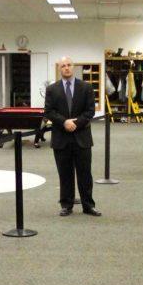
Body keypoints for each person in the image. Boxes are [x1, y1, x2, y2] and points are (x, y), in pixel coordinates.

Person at [44, 57, 99, 217]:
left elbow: (90, 111)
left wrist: (76, 123)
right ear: (59, 69)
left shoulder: (86, 87)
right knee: (65, 173)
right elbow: (49, 111)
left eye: (68, 65)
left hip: (82, 136)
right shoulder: (52, 89)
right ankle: (66, 204)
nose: (66, 68)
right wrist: (64, 122)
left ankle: (88, 205)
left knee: (85, 173)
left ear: (73, 67)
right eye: (63, 66)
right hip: (61, 137)